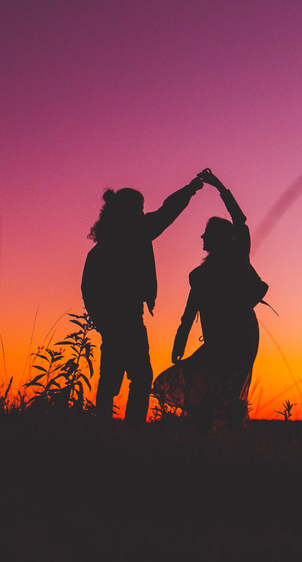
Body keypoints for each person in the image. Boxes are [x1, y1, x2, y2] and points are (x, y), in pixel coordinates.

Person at [82, 176, 202, 422]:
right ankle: (132, 430)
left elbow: (86, 288)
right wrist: (189, 190)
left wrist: (100, 320)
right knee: (140, 377)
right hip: (128, 319)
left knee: (110, 378)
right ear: (130, 209)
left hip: (110, 322)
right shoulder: (135, 232)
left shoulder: (100, 248)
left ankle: (102, 430)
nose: (143, 213)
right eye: (141, 208)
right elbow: (166, 213)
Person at [154, 169, 268, 427]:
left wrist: (219, 186)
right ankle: (220, 437)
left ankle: (224, 439)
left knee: (226, 387)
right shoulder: (200, 274)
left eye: (206, 233)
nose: (202, 237)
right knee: (214, 387)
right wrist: (179, 344)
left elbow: (240, 220)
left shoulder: (239, 261)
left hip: (240, 337)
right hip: (224, 338)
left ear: (217, 238)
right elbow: (190, 311)